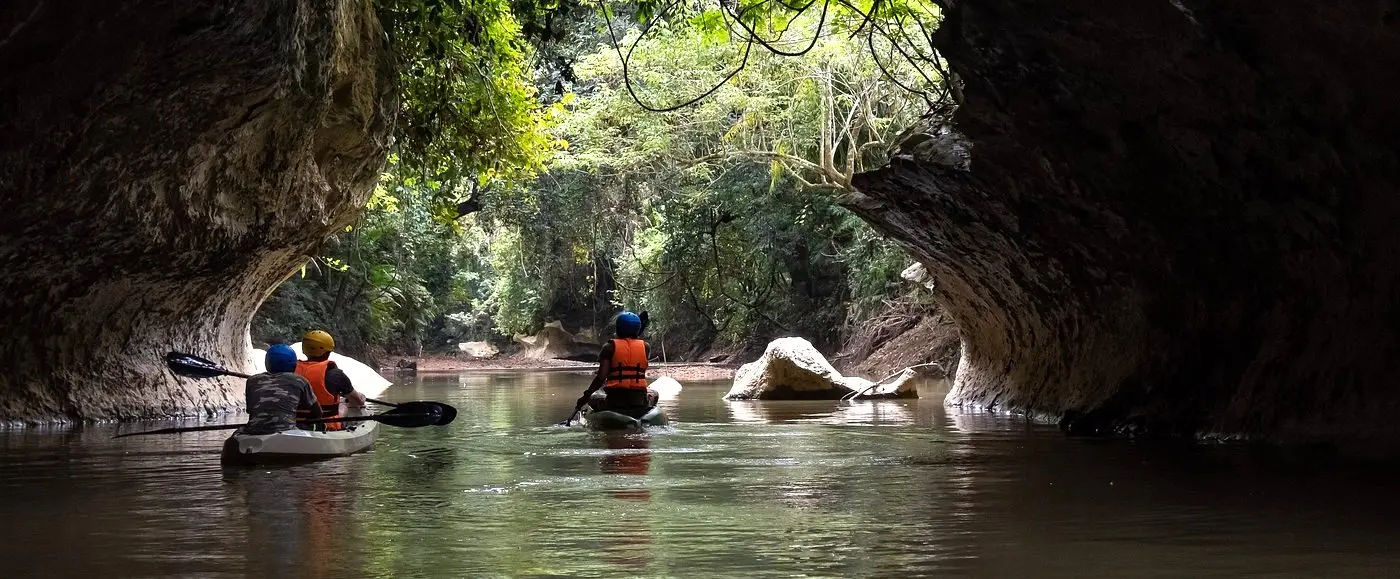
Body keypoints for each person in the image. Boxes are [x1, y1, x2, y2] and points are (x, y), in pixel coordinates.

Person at [574, 311, 658, 419]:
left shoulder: (609, 347)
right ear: (637, 329)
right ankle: (643, 414)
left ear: (618, 328)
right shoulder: (645, 347)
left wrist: (585, 397)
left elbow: (601, 377)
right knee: (654, 393)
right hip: (639, 401)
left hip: (615, 401)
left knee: (593, 397)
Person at [242, 344, 322, 435]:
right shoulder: (300, 381)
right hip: (287, 432)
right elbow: (317, 413)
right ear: (294, 365)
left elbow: (251, 411)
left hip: (253, 431)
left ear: (267, 363)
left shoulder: (252, 381)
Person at [295, 330, 367, 431]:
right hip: (326, 426)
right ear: (327, 352)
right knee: (345, 404)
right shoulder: (335, 374)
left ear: (304, 349)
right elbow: (357, 401)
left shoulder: (291, 369)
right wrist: (361, 398)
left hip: (295, 423)